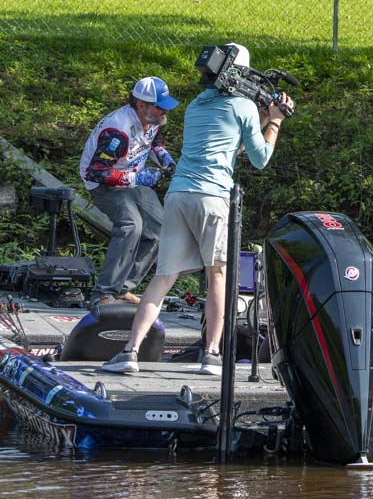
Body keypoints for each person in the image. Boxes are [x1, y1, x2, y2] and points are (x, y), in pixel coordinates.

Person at [102, 43, 294, 376]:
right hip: (212, 198)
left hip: (179, 195)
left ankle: (129, 352)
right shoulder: (243, 107)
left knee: (163, 278)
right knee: (217, 275)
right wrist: (274, 121)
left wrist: (261, 117)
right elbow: (260, 158)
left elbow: (228, 145)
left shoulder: (196, 105)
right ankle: (212, 355)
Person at [80, 76, 179, 308]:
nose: (165, 111)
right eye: (160, 106)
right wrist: (136, 178)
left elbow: (154, 142)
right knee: (131, 225)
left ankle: (123, 288)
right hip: (104, 185)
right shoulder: (118, 129)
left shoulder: (153, 119)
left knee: (161, 228)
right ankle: (103, 294)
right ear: (141, 105)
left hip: (132, 178)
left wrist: (164, 157)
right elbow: (96, 172)